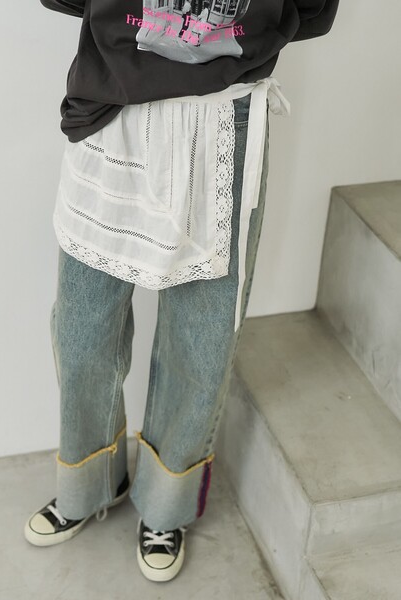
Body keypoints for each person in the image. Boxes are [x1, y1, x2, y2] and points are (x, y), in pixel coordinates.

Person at [24, 0, 340, 583]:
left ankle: (165, 506)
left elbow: (313, 10)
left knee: (201, 338)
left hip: (224, 111)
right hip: (112, 105)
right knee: (82, 329)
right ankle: (89, 482)